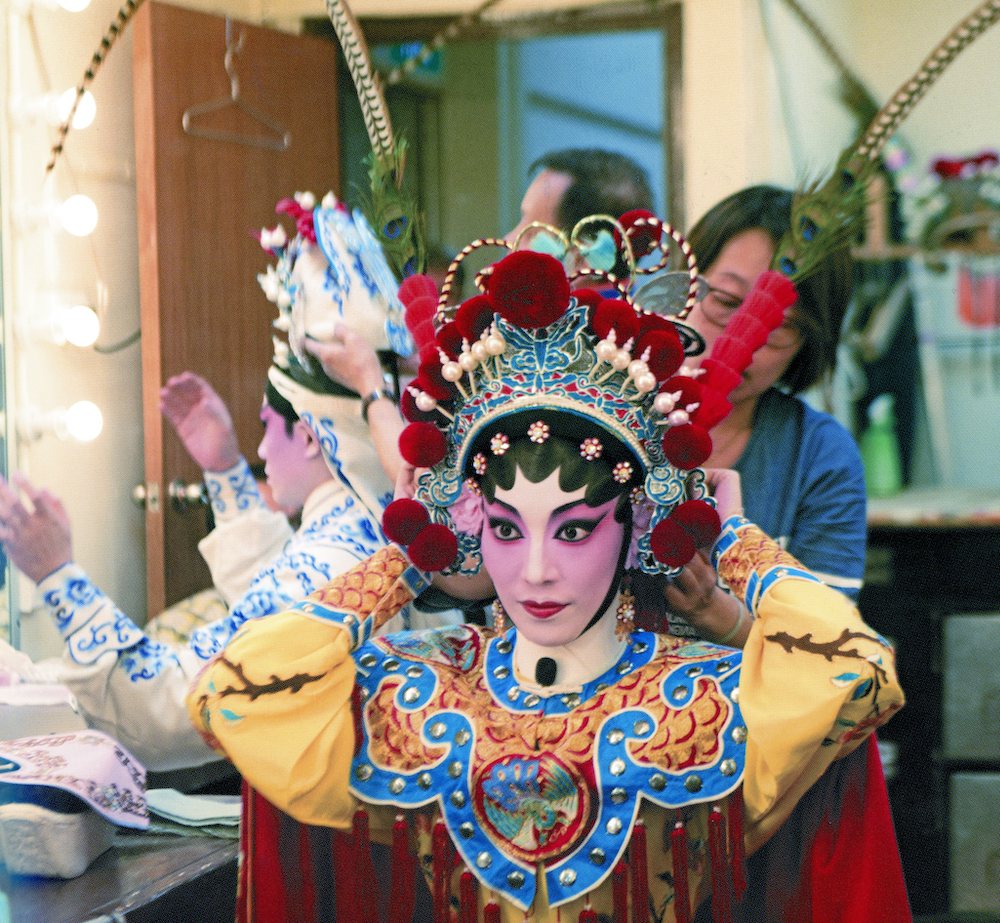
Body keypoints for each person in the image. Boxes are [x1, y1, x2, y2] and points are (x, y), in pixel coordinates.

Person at [188, 241, 904, 922]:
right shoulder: (423, 689)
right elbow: (235, 689)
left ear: (636, 522)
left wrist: (733, 538)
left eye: (574, 528)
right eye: (503, 527)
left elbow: (858, 671)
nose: (534, 570)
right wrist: (415, 554)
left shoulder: (707, 698)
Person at [0, 191, 449, 773]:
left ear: (312, 434)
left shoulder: (338, 559)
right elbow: (274, 591)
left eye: (267, 428)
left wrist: (57, 575)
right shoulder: (379, 522)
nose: (261, 450)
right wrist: (225, 471)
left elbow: (169, 707)